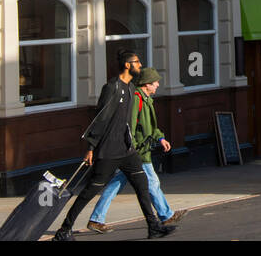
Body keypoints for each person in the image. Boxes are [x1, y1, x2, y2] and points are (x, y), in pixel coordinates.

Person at [53, 49, 175, 240]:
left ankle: (154, 227)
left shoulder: (130, 88)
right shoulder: (112, 88)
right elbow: (100, 119)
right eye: (137, 62)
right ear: (128, 65)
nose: (140, 66)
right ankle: (64, 230)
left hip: (127, 150)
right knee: (90, 190)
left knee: (142, 185)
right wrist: (91, 147)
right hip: (109, 150)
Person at [86, 68, 185, 234]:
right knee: (152, 183)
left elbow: (150, 127)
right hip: (136, 152)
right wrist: (131, 148)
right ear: (147, 84)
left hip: (136, 151)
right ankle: (165, 215)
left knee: (116, 183)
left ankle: (96, 218)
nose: (158, 85)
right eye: (156, 82)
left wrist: (160, 138)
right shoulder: (137, 100)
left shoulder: (146, 99)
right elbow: (128, 126)